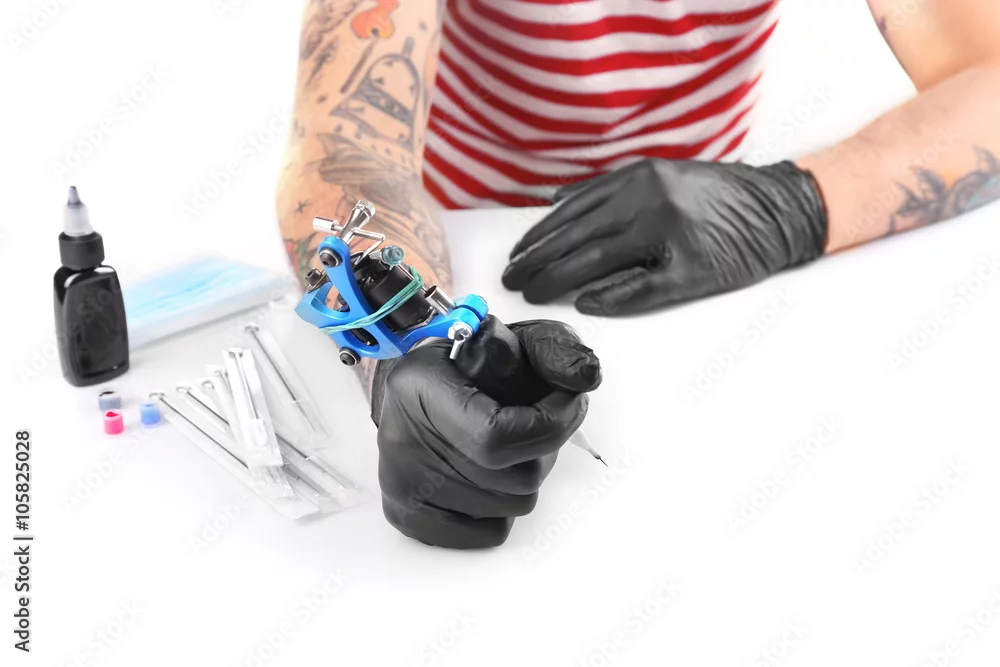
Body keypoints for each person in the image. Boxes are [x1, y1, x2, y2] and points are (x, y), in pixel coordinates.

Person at [277, 0, 1000, 548]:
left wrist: (793, 204)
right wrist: (408, 344)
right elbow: (345, 142)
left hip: (707, 239)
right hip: (467, 227)